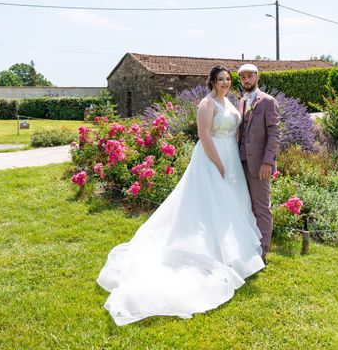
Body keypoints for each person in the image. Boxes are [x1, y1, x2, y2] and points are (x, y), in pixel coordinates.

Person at [97, 65, 265, 325]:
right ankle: (209, 250)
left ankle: (229, 248)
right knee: (210, 205)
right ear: (211, 81)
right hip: (213, 159)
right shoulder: (206, 104)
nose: (225, 83)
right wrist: (218, 163)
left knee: (230, 205)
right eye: (220, 79)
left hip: (232, 157)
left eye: (228, 79)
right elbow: (204, 135)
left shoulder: (231, 102)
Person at [237, 64, 280, 262]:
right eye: (243, 77)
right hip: (240, 162)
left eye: (249, 76)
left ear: (257, 77)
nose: (246, 80)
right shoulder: (240, 102)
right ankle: (248, 247)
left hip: (260, 164)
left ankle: (261, 254)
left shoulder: (268, 102)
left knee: (262, 207)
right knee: (246, 207)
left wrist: (268, 163)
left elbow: (274, 134)